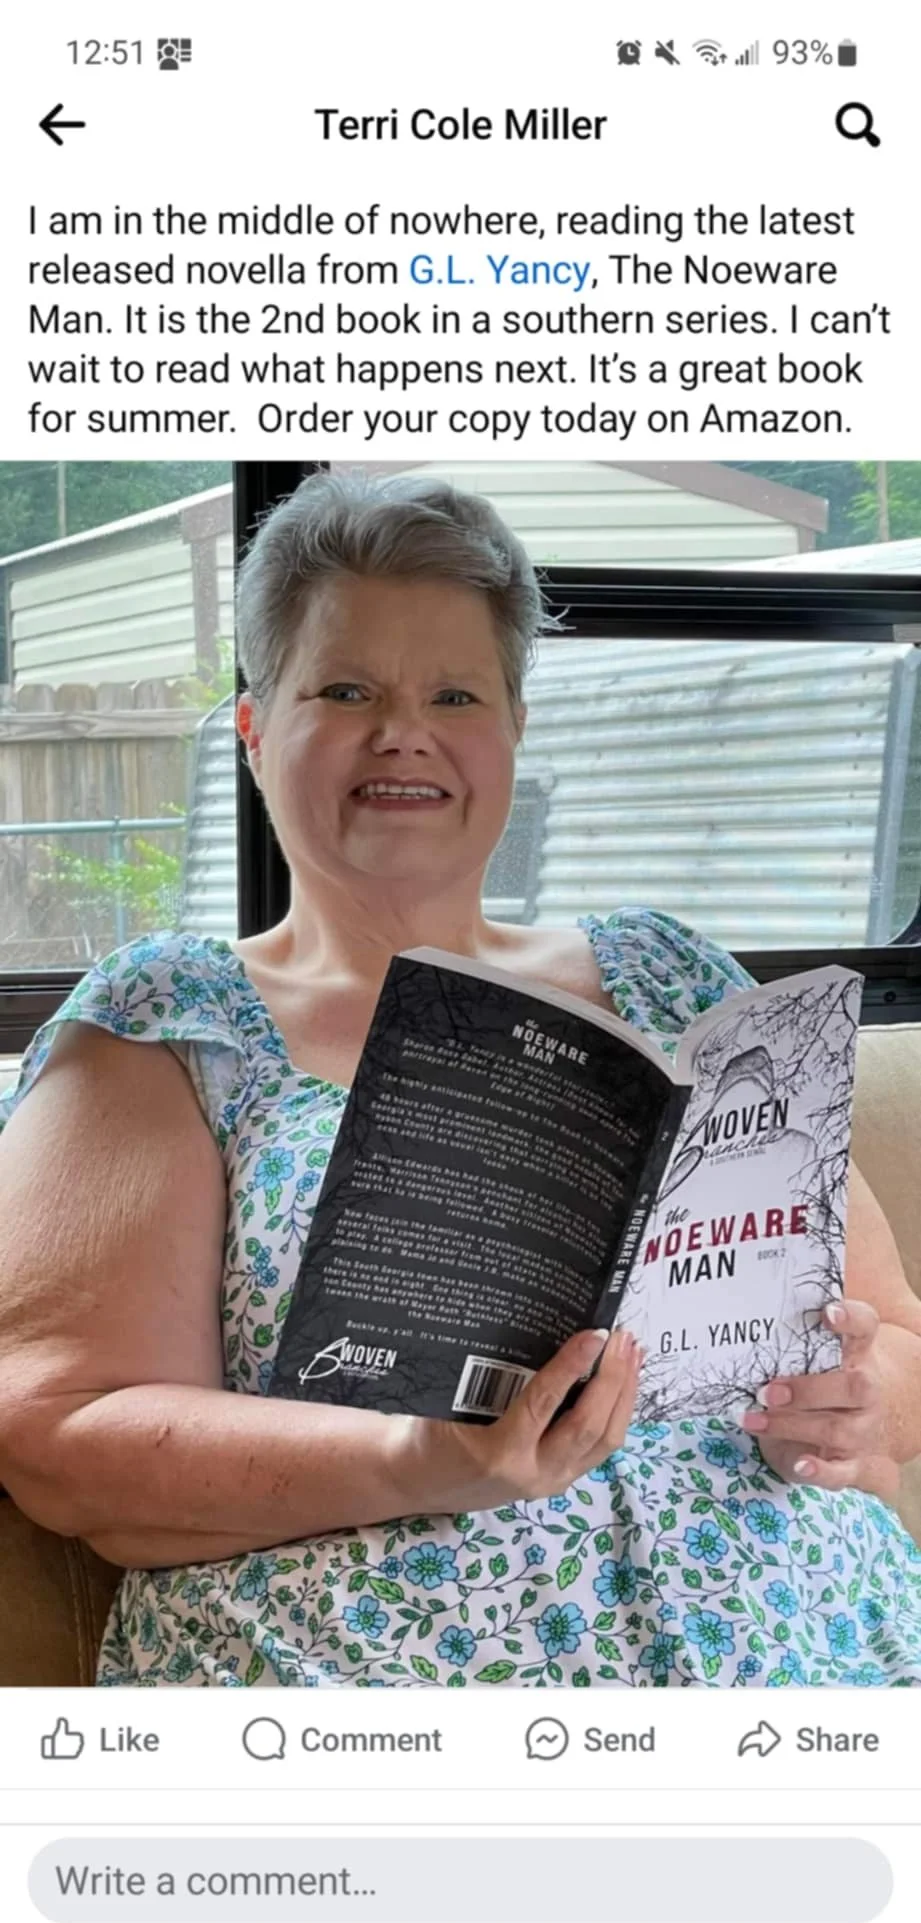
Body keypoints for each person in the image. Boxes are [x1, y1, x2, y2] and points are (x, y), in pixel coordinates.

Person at [1, 468, 920, 1689]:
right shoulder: (171, 1020)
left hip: (816, 1655)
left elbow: (892, 1329)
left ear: (514, 728)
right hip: (378, 1692)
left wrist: (871, 1397)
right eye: (345, 689)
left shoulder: (671, 974)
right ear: (255, 729)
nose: (404, 731)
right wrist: (420, 1458)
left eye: (454, 691)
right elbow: (64, 1433)